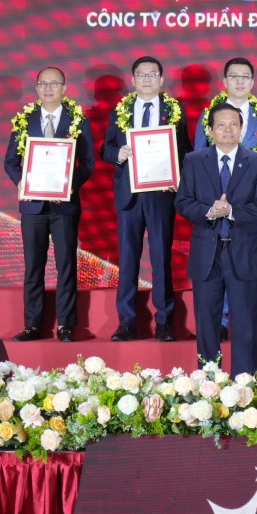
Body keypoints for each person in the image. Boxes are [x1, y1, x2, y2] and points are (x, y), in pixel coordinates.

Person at [176, 104, 257, 373]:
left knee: (245, 324)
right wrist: (209, 211)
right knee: (207, 324)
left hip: (242, 253)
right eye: (221, 124)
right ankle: (210, 384)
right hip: (207, 254)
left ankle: (245, 382)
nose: (228, 129)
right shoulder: (194, 160)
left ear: (241, 129)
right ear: (210, 130)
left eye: (234, 124)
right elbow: (182, 202)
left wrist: (231, 211)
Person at [2, 67, 95, 341]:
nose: (48, 88)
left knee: (66, 265)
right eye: (43, 84)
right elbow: (10, 162)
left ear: (64, 88)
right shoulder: (25, 120)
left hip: (64, 205)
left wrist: (68, 185)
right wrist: (21, 182)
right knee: (33, 266)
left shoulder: (77, 120)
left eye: (54, 84)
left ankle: (66, 324)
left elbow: (88, 163)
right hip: (33, 205)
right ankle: (32, 325)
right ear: (36, 89)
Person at [99, 55, 185, 341]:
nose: (147, 79)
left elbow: (185, 151)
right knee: (128, 259)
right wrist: (118, 154)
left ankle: (164, 321)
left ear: (161, 79)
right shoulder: (119, 111)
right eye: (141, 75)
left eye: (152, 75)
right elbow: (105, 149)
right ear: (133, 80)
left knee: (161, 258)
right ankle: (127, 322)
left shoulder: (175, 110)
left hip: (161, 194)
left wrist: (177, 177)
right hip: (129, 195)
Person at [192, 56, 257, 155]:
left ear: (252, 83)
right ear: (225, 82)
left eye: (245, 77)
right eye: (234, 76)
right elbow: (199, 155)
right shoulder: (208, 115)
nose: (240, 81)